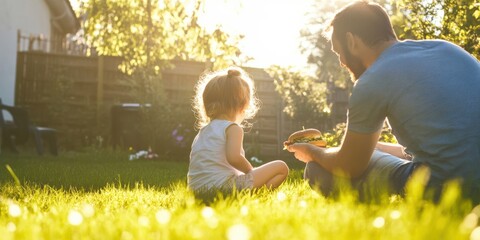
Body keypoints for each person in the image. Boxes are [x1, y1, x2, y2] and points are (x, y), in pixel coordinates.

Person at [286, 1, 480, 201]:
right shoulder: (448, 50)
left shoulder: (372, 80)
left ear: (351, 41)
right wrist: (374, 147)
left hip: (447, 190)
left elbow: (349, 166)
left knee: (317, 170)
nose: (342, 62)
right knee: (372, 150)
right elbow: (453, 144)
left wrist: (312, 152)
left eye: (338, 52)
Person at [188, 66, 289, 193]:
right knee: (281, 167)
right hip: (223, 187)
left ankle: (252, 192)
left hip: (197, 189)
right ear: (243, 105)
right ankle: (256, 193)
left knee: (253, 175)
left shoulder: (203, 132)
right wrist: (250, 171)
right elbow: (234, 158)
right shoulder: (232, 128)